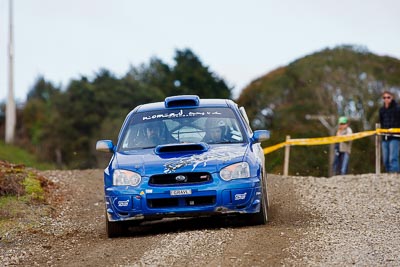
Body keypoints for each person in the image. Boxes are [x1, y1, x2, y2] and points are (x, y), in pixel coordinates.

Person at [379, 91, 400, 173]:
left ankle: (395, 174)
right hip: (385, 137)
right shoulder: (381, 110)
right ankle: (388, 175)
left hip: (395, 136)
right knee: (385, 159)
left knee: (393, 158)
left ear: (392, 98)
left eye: (388, 97)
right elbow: (381, 122)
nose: (386, 99)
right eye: (384, 97)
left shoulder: (397, 108)